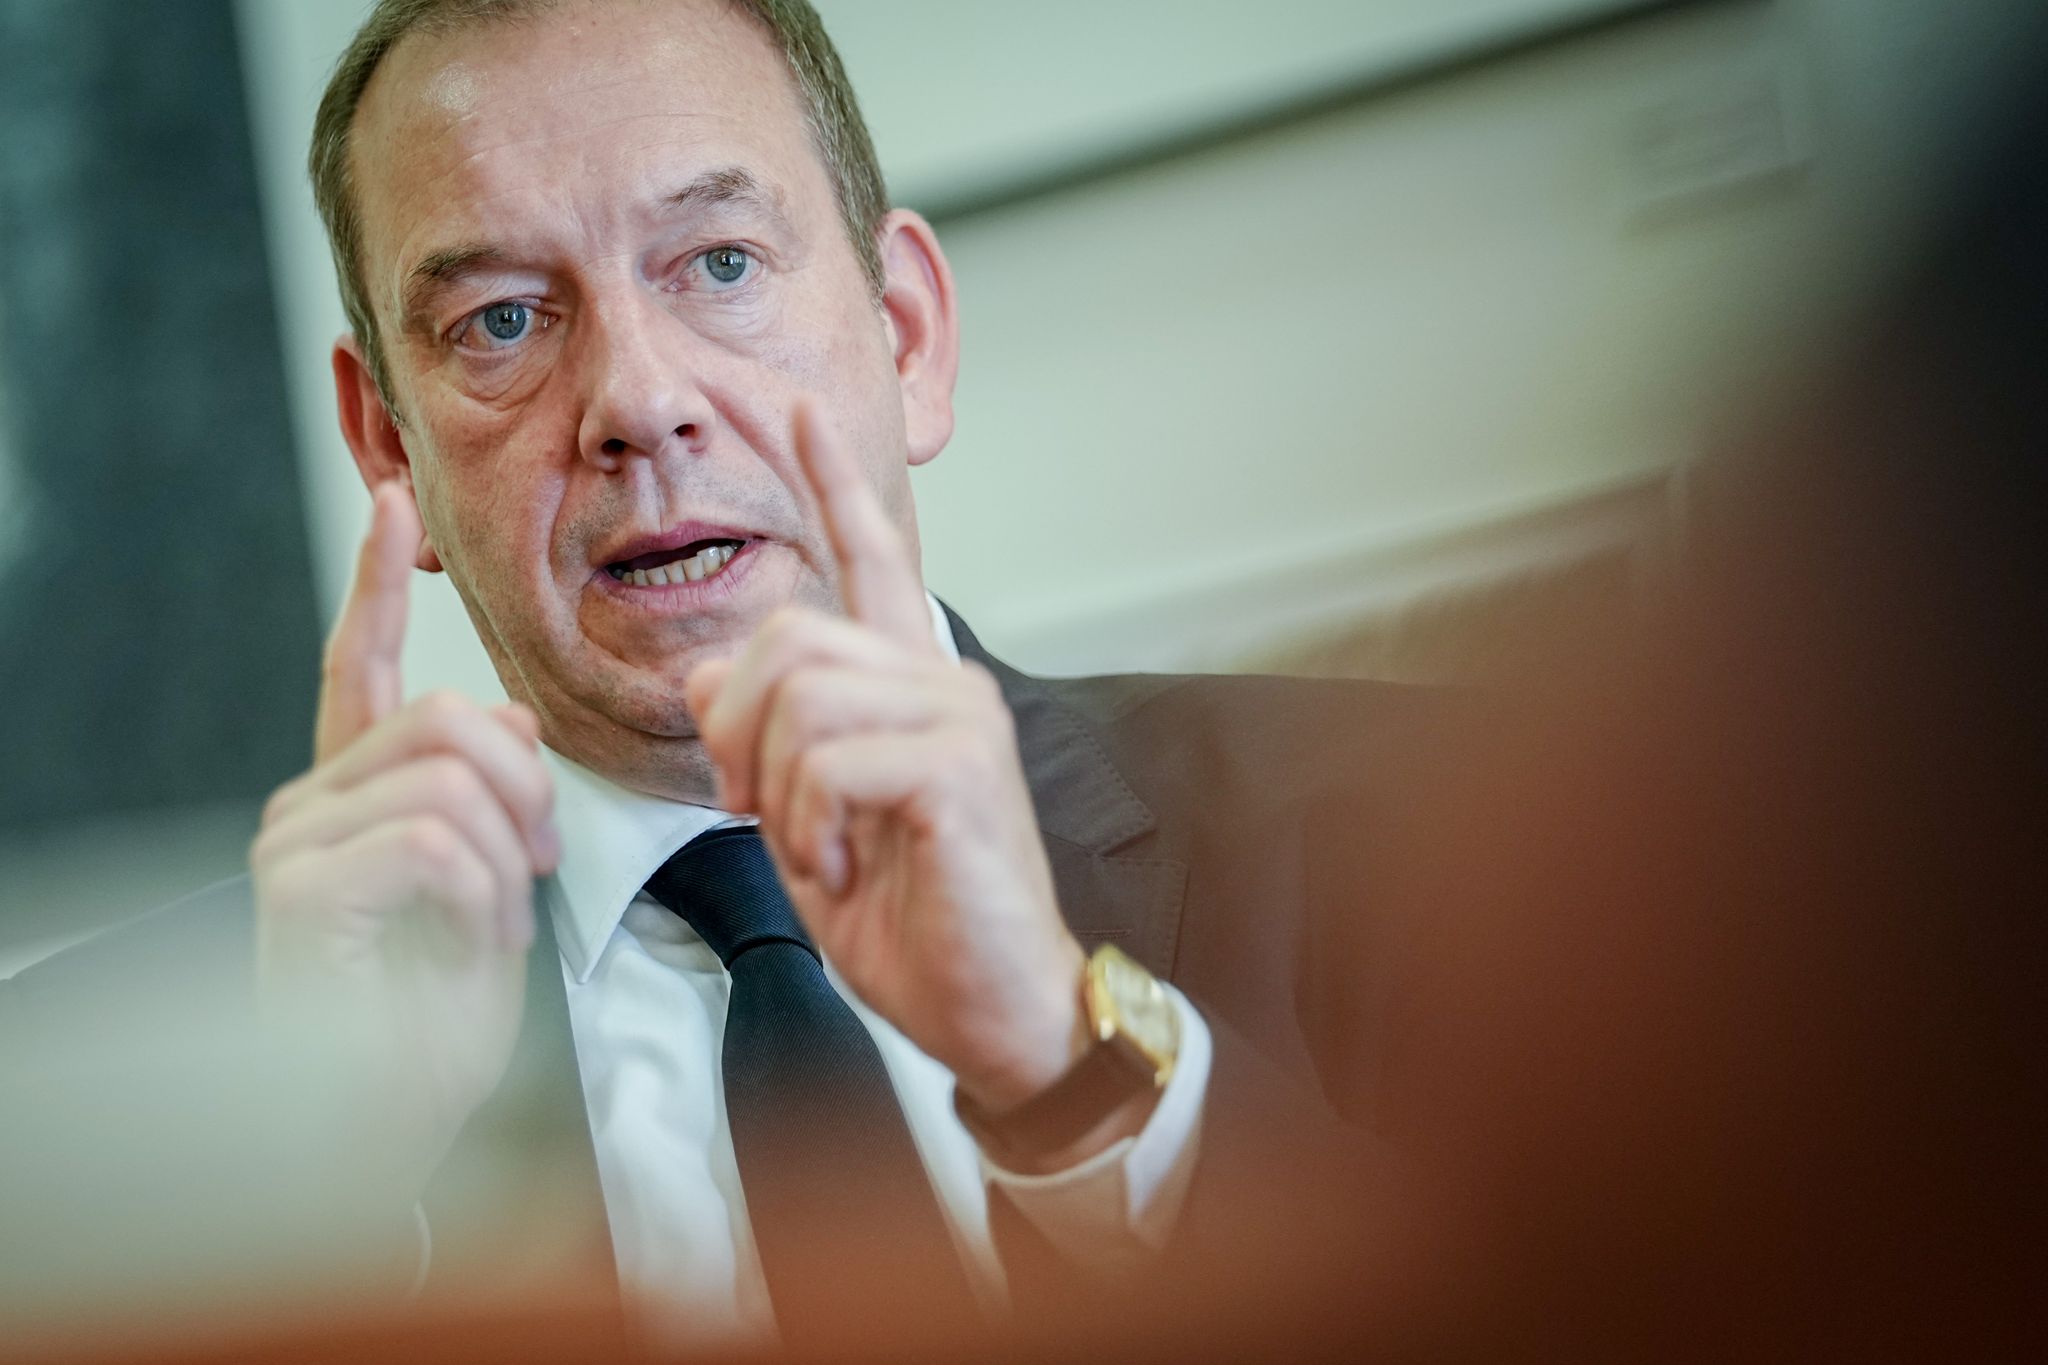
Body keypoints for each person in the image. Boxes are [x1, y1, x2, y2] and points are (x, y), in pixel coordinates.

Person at [3, 0, 1423, 1355]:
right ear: (391, 451)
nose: (636, 400)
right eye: (503, 320)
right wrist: (328, 1206)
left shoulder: (1430, 829)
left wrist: (1074, 1064)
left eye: (721, 263)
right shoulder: (68, 1111)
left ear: (907, 337)